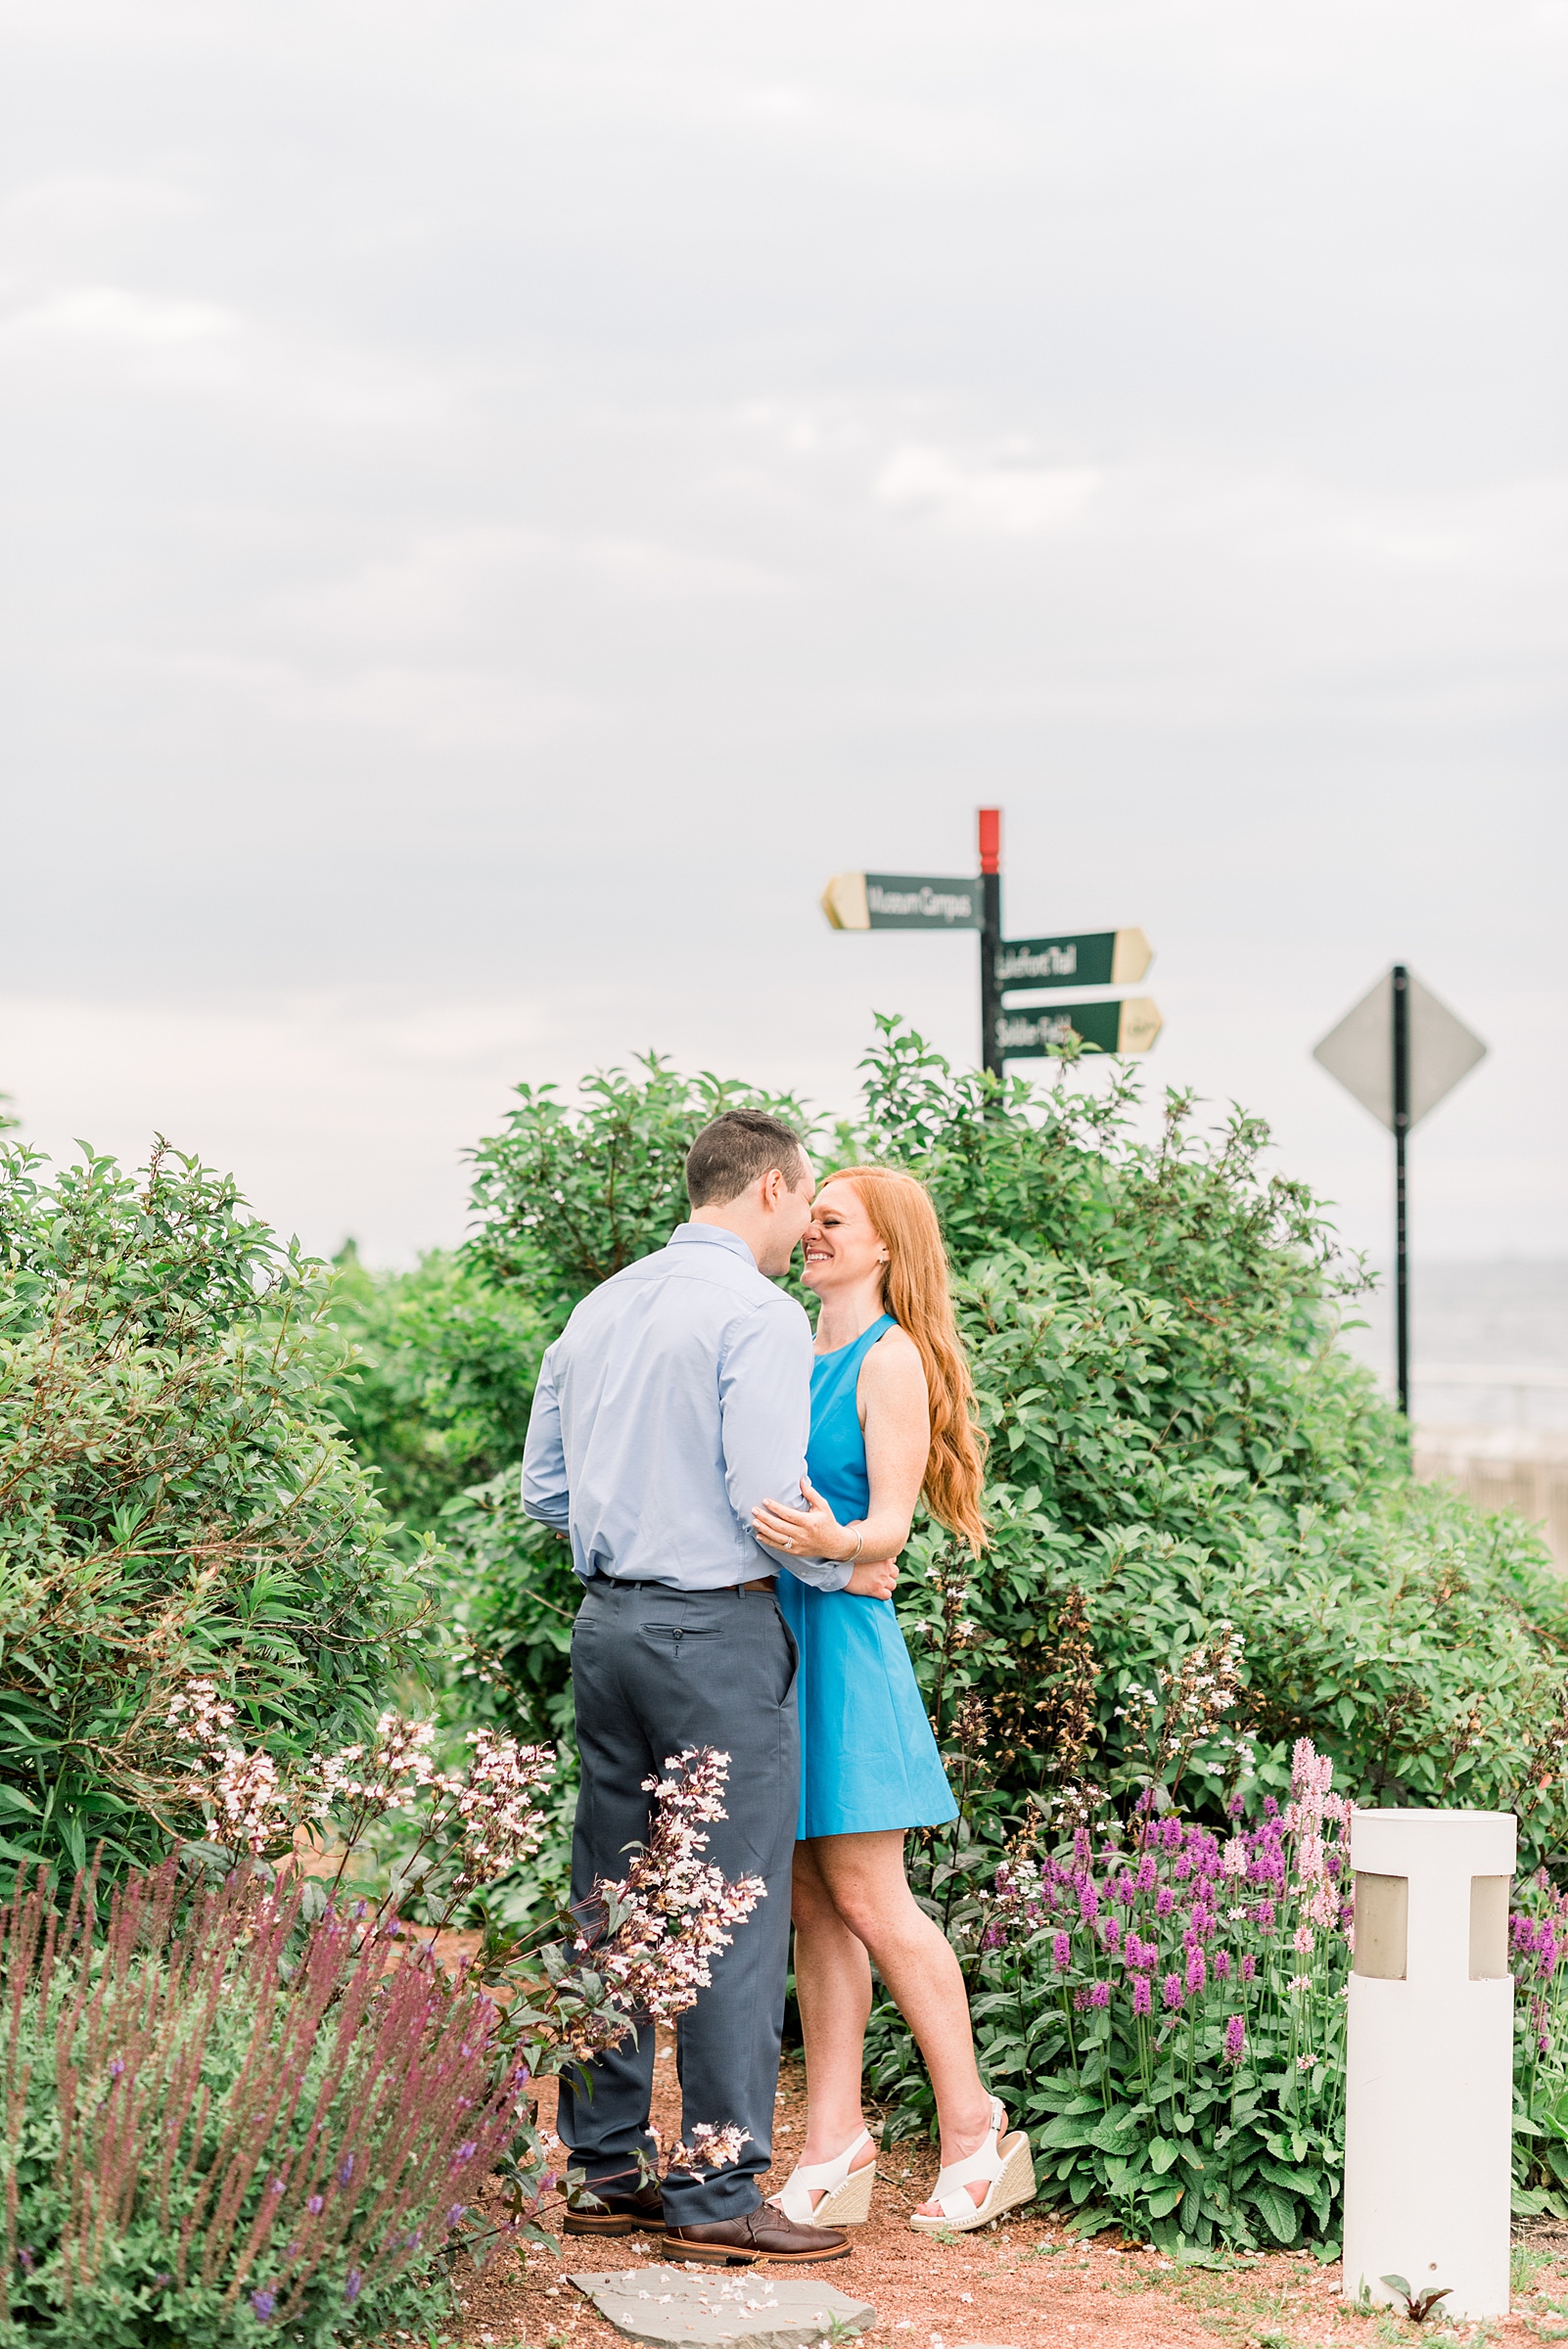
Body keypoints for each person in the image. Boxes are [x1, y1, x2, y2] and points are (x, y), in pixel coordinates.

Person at [520, 1109, 893, 2268]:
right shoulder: (756, 1314)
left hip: (606, 1626)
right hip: (714, 1634)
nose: (802, 1234)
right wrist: (852, 1562)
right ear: (774, 1189)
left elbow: (545, 1490)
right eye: (804, 1207)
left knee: (614, 1896)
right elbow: (764, 1499)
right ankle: (720, 2189)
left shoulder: (600, 1308)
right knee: (732, 1909)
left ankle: (605, 2169)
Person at [750, 1166, 1037, 2235]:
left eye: (832, 1221)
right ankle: (834, 2141)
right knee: (811, 1907)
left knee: (873, 1900)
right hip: (775, 1645)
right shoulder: (789, 1346)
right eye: (809, 1216)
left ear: (882, 1250)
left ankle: (975, 2133)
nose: (810, 1232)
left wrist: (839, 1547)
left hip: (845, 1656)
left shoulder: (891, 1360)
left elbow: (890, 1537)